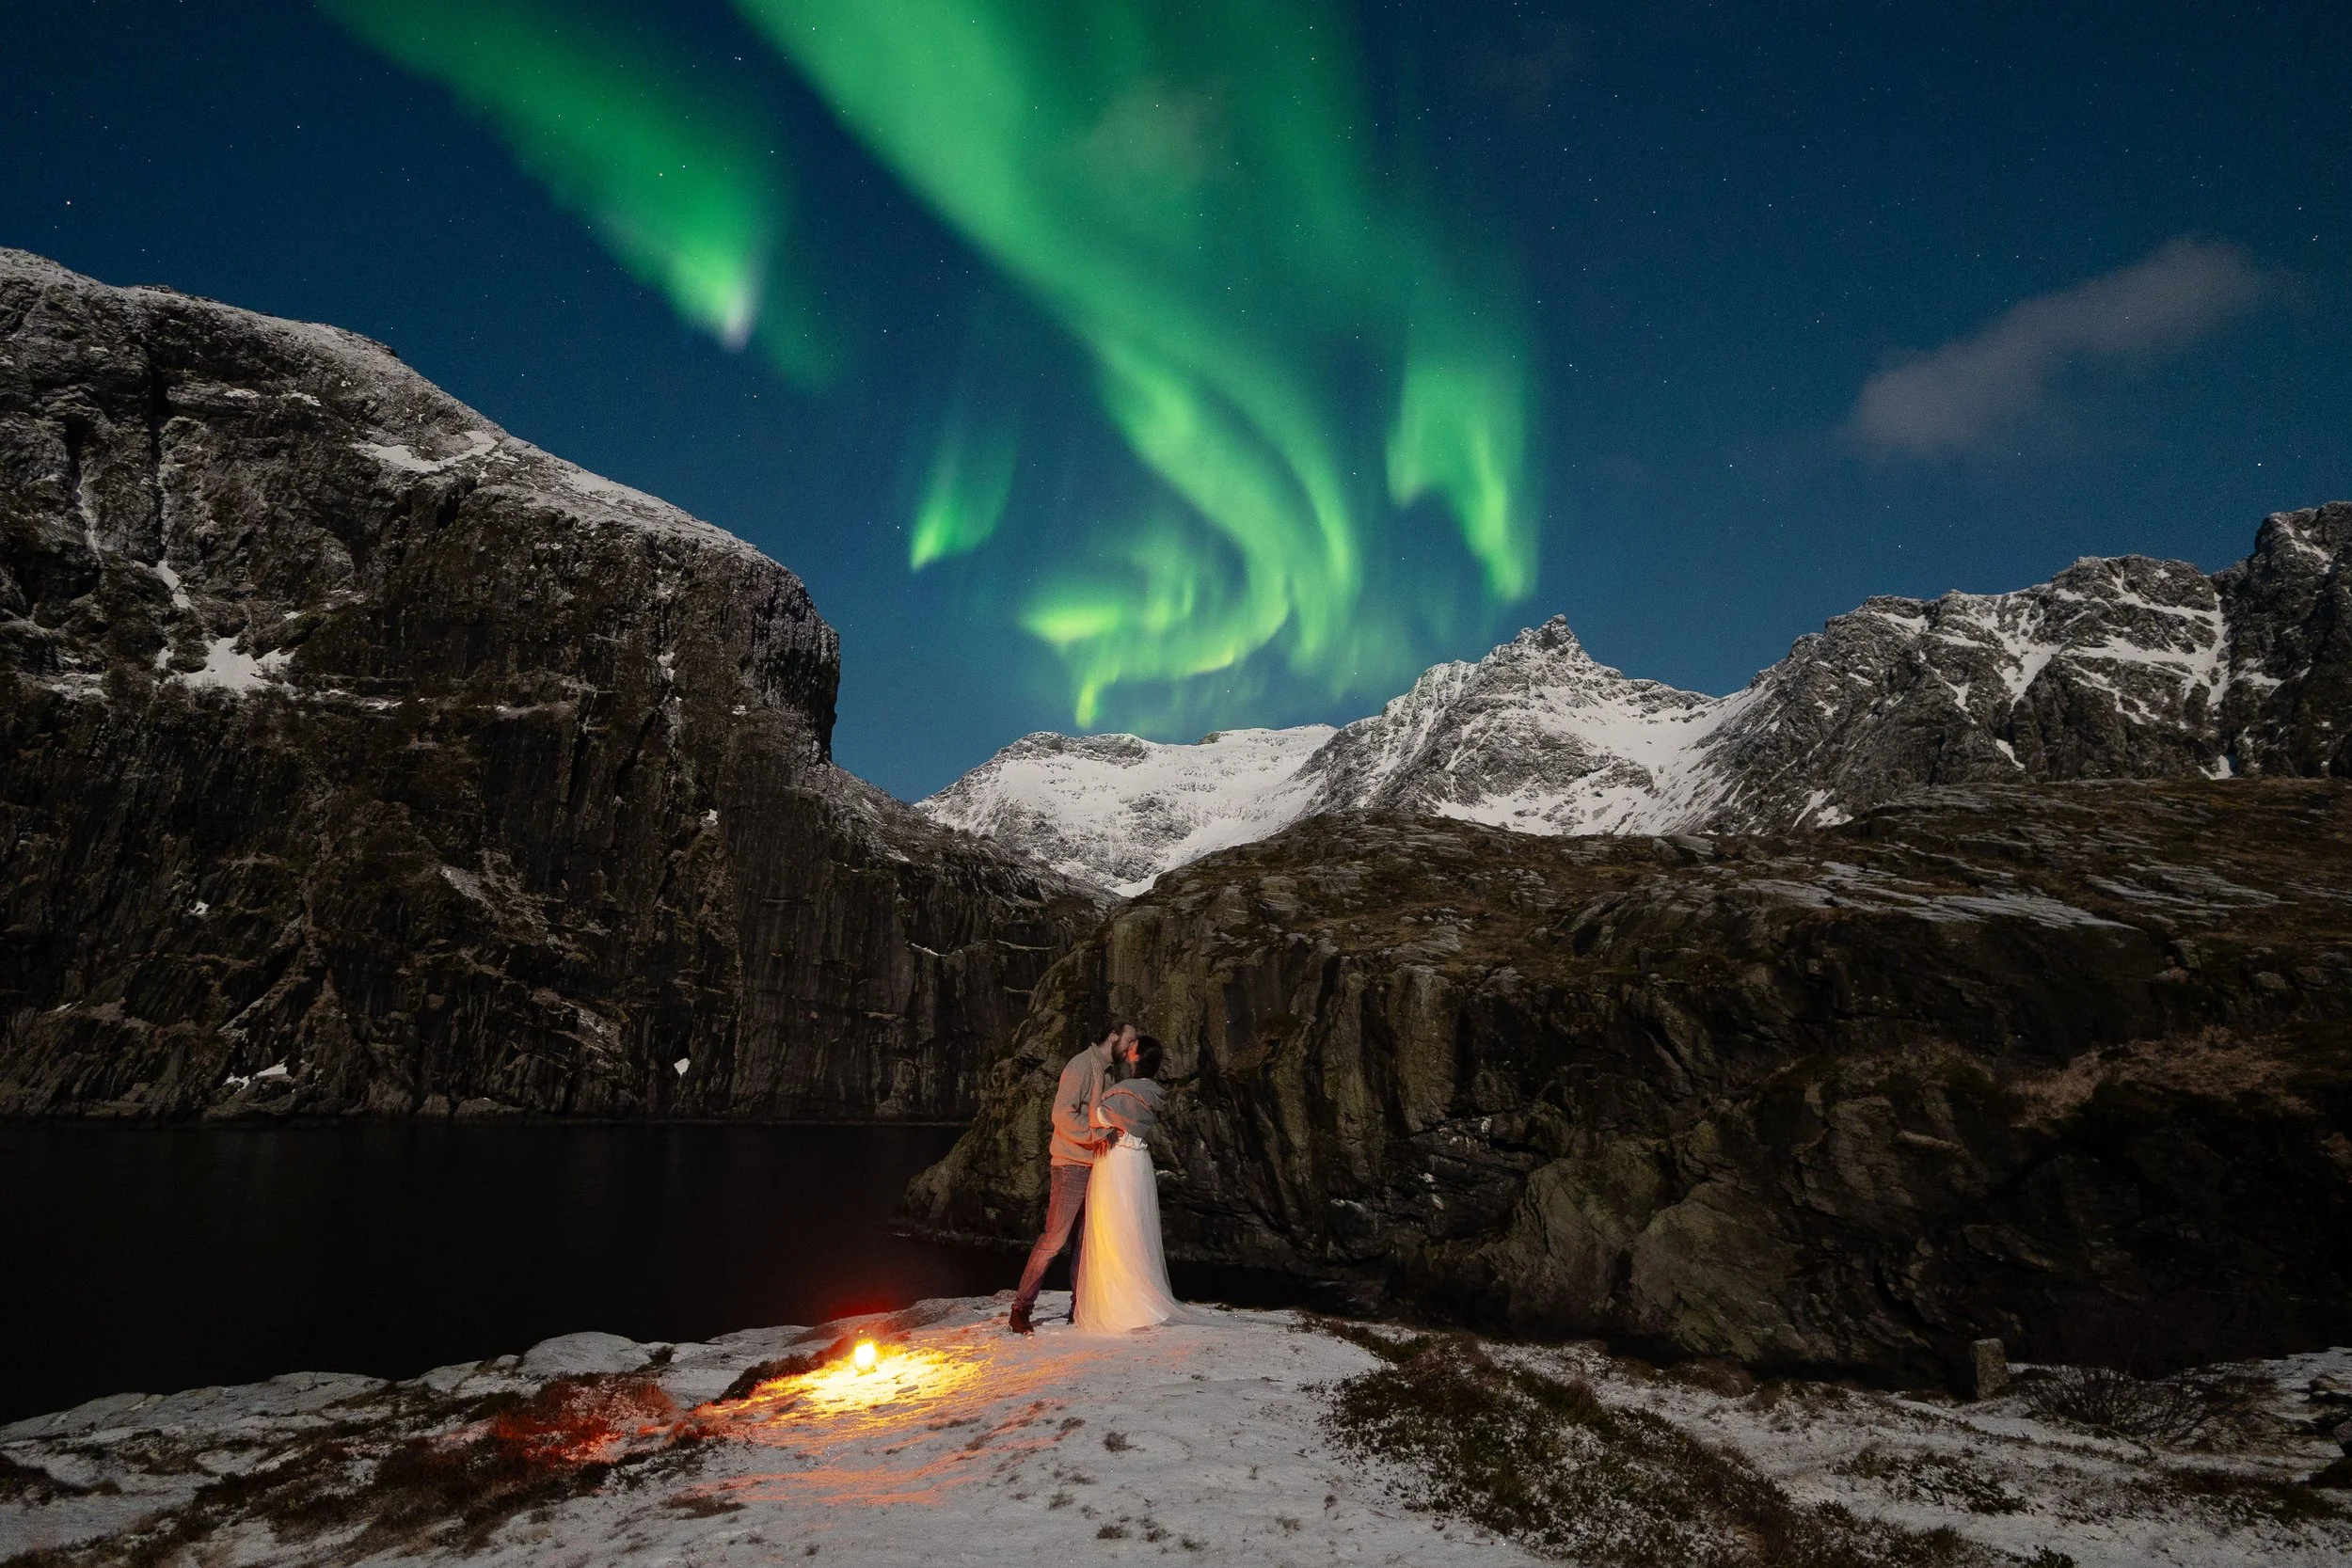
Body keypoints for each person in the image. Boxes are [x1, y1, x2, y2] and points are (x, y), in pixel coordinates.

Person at [1073, 1034, 1206, 1333]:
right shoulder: (1151, 1091)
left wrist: (1097, 1085)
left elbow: (1097, 1117)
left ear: (1136, 1057)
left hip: (1117, 1161)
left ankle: (1122, 1306)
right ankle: (1133, 1298)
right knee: (1133, 1229)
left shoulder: (1127, 1092)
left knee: (1113, 1230)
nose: (1128, 1048)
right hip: (1138, 1162)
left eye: (1132, 1047)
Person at [1007, 1022, 1132, 1335]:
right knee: (1054, 1240)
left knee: (1084, 1242)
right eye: (1129, 1041)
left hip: (1094, 1166)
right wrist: (1096, 1135)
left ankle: (1079, 1308)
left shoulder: (1106, 1071)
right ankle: (1021, 1308)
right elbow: (1061, 1114)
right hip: (1071, 1166)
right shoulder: (1081, 1065)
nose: (1131, 1048)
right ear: (1112, 1036)